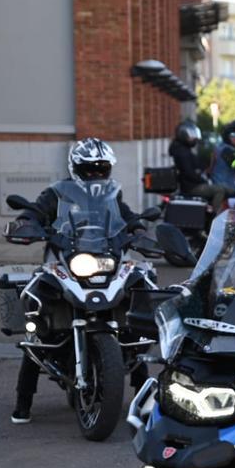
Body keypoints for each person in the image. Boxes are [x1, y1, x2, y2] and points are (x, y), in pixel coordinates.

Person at [10, 138, 145, 424]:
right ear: (76, 168)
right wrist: (27, 221)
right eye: (89, 169)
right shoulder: (57, 194)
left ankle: (144, 394)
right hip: (64, 261)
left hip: (104, 259)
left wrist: (140, 228)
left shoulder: (112, 196)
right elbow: (35, 210)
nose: (96, 174)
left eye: (101, 169)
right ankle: (23, 402)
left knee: (137, 311)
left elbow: (127, 216)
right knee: (37, 326)